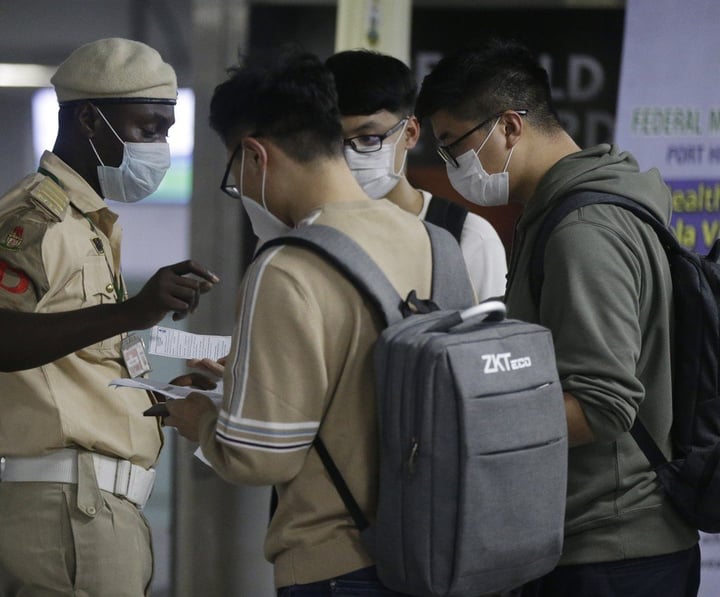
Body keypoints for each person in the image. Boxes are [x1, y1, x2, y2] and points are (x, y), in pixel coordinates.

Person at [414, 37, 700, 596]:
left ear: (510, 127)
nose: (450, 167)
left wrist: (466, 420)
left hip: (612, 549)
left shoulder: (582, 230)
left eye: (453, 145)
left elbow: (604, 402)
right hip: (602, 543)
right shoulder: (567, 211)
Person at [0, 37, 218, 597]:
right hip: (70, 512)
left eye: (165, 133)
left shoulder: (87, 225)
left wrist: (162, 399)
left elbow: (75, 373)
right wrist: (132, 311)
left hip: (96, 510)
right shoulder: (34, 220)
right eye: (147, 129)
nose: (159, 149)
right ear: (92, 121)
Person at [160, 51, 436, 595]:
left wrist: (199, 420)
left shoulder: (285, 265)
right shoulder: (432, 241)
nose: (238, 184)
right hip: (432, 548)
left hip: (337, 564)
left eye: (233, 168)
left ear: (256, 155)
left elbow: (260, 456)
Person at [326, 49, 508, 301]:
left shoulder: (466, 238)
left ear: (410, 133)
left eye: (369, 138)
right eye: (333, 141)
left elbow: (493, 339)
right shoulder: (311, 229)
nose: (349, 155)